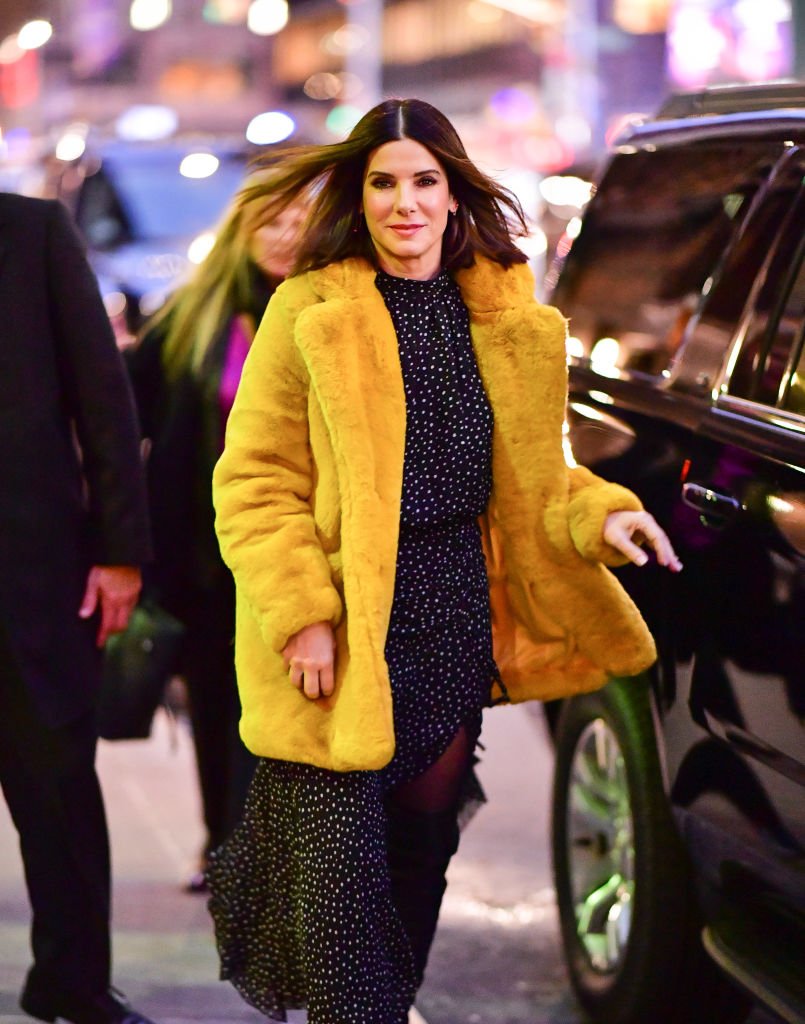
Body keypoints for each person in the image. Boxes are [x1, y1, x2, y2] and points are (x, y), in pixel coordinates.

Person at [206, 98, 683, 1024]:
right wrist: (302, 611)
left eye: (424, 181)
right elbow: (253, 481)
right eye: (383, 182)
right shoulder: (310, 312)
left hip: (454, 606)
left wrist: (603, 520)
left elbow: (542, 477)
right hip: (341, 626)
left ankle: (390, 1004)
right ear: (360, 192)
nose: (403, 203)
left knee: (421, 845)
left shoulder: (510, 317)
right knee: (337, 870)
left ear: (455, 195)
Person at [0, 193, 156, 1024]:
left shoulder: (31, 233)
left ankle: (74, 982)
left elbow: (104, 396)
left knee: (57, 788)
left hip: (33, 578)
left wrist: (120, 550)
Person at [126, 178, 307, 892]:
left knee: (289, 707)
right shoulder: (192, 319)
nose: (286, 233)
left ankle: (276, 851)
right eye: (271, 220)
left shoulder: (329, 312)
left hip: (298, 553)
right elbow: (126, 415)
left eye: (300, 220)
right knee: (215, 703)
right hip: (203, 554)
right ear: (241, 230)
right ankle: (222, 845)